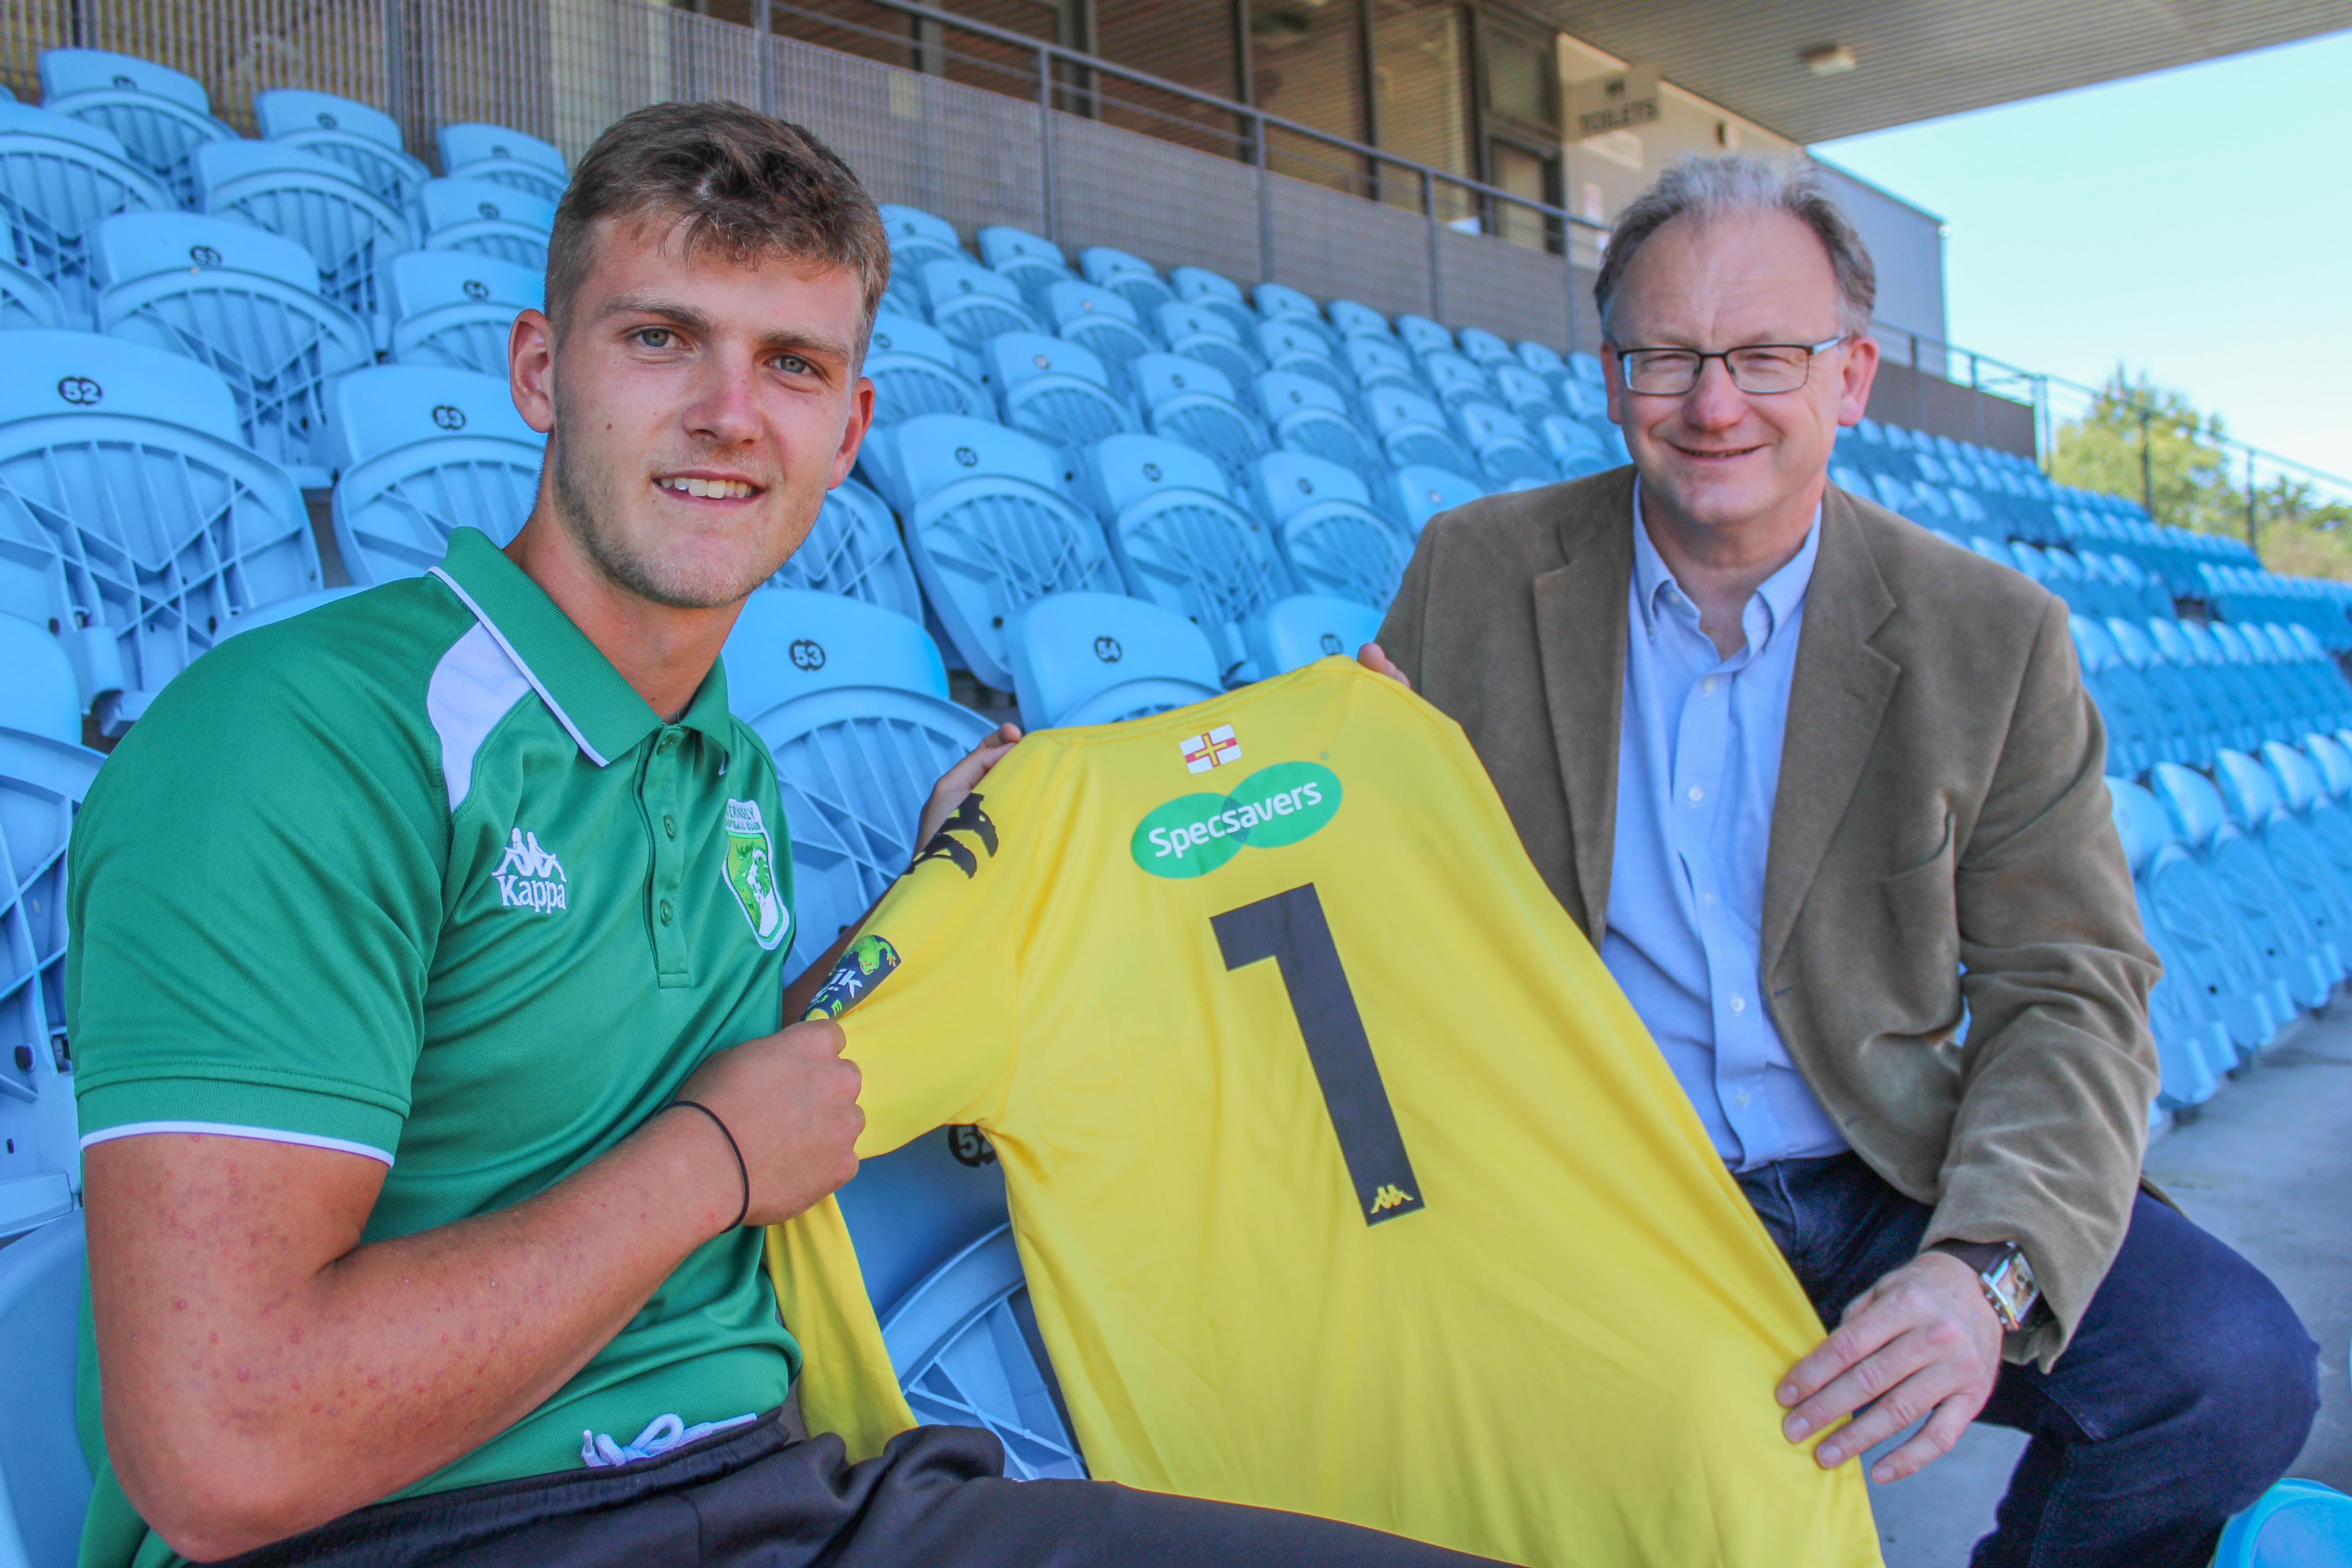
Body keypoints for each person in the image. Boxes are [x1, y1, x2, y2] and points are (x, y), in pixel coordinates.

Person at [68, 102, 1497, 1568]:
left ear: (849, 429)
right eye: (660, 339)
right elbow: (222, 1448)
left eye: (792, 366)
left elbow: (706, 1085)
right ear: (540, 370)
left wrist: (941, 883)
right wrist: (711, 1164)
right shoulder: (298, 742)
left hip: (773, 1491)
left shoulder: (726, 756)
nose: (729, 413)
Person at [1365, 155, 2319, 1568]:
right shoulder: (1475, 570)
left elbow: (2071, 987)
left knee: (2229, 1376)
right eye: (1666, 358)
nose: (1713, 404)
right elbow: (1344, 819)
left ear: (1854, 376)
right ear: (1611, 371)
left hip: (1885, 1174)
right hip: (1606, 1176)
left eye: (1765, 354)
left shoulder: (1995, 636)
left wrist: (1978, 1277)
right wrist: (1064, 773)